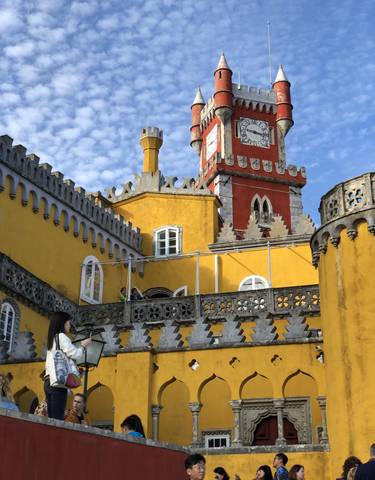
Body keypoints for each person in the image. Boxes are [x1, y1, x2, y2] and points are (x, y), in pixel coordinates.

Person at [44, 311, 91, 420]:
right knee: (57, 420)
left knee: (51, 418)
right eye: (68, 323)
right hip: (58, 384)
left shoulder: (52, 339)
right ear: (63, 323)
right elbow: (75, 354)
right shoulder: (62, 337)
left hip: (48, 382)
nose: (69, 326)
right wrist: (83, 346)